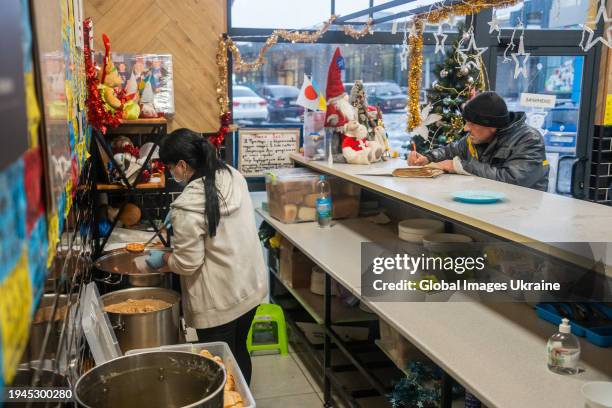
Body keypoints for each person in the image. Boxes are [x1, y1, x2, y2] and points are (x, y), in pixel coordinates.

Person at [145, 128, 267, 384]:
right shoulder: (233, 175)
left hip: (218, 302)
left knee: (218, 366)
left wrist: (164, 259)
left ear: (182, 165)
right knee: (239, 351)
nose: (170, 173)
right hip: (249, 287)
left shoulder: (188, 205)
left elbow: (187, 263)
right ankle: (241, 399)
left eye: (170, 167)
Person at [408, 91, 549, 191]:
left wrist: (457, 166)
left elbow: (513, 180)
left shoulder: (530, 139)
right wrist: (426, 158)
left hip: (524, 214)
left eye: (472, 123)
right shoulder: (477, 138)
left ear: (491, 126)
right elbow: (450, 150)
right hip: (487, 203)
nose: (466, 128)